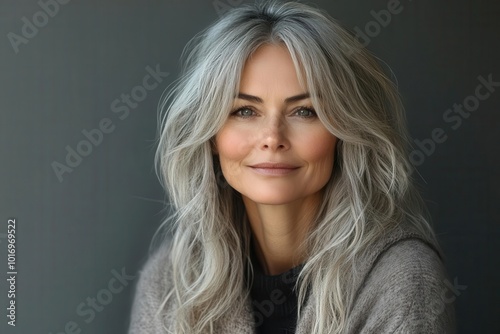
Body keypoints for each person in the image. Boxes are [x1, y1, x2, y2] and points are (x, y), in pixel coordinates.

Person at [128, 1, 456, 333]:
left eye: (304, 111)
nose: (272, 138)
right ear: (212, 134)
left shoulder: (402, 277)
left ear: (343, 132)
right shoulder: (171, 282)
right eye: (245, 111)